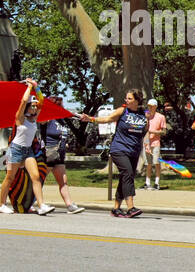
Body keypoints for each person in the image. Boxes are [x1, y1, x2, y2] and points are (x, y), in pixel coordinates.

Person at [81, 89, 147, 217]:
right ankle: (130, 207)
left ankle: (116, 209)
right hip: (119, 149)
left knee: (126, 177)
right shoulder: (122, 111)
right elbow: (107, 119)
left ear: (137, 101)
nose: (126, 100)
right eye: (126, 98)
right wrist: (90, 119)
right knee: (127, 173)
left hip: (134, 151)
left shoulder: (143, 114)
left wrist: (146, 144)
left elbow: (145, 130)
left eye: (129, 99)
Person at [0, 81, 54, 215]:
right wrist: (29, 87)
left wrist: (37, 87)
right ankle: (1, 204)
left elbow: (41, 101)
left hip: (28, 151)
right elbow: (23, 101)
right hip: (15, 150)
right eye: (32, 106)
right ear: (27, 107)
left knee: (36, 176)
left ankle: (41, 205)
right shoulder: (20, 118)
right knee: (9, 178)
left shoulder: (34, 118)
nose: (35, 109)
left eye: (35, 107)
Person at [40, 100, 85, 213]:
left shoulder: (62, 120)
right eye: (60, 105)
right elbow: (40, 114)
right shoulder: (47, 118)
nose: (62, 107)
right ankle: (31, 203)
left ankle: (70, 205)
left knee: (63, 182)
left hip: (59, 156)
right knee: (39, 181)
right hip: (49, 154)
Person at [141, 99, 168, 190]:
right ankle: (147, 182)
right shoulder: (145, 116)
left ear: (155, 106)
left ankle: (157, 182)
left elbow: (164, 131)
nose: (150, 107)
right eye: (148, 106)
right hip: (146, 143)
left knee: (156, 163)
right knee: (147, 163)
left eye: (151, 106)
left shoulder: (161, 117)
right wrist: (146, 119)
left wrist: (153, 132)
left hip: (155, 143)